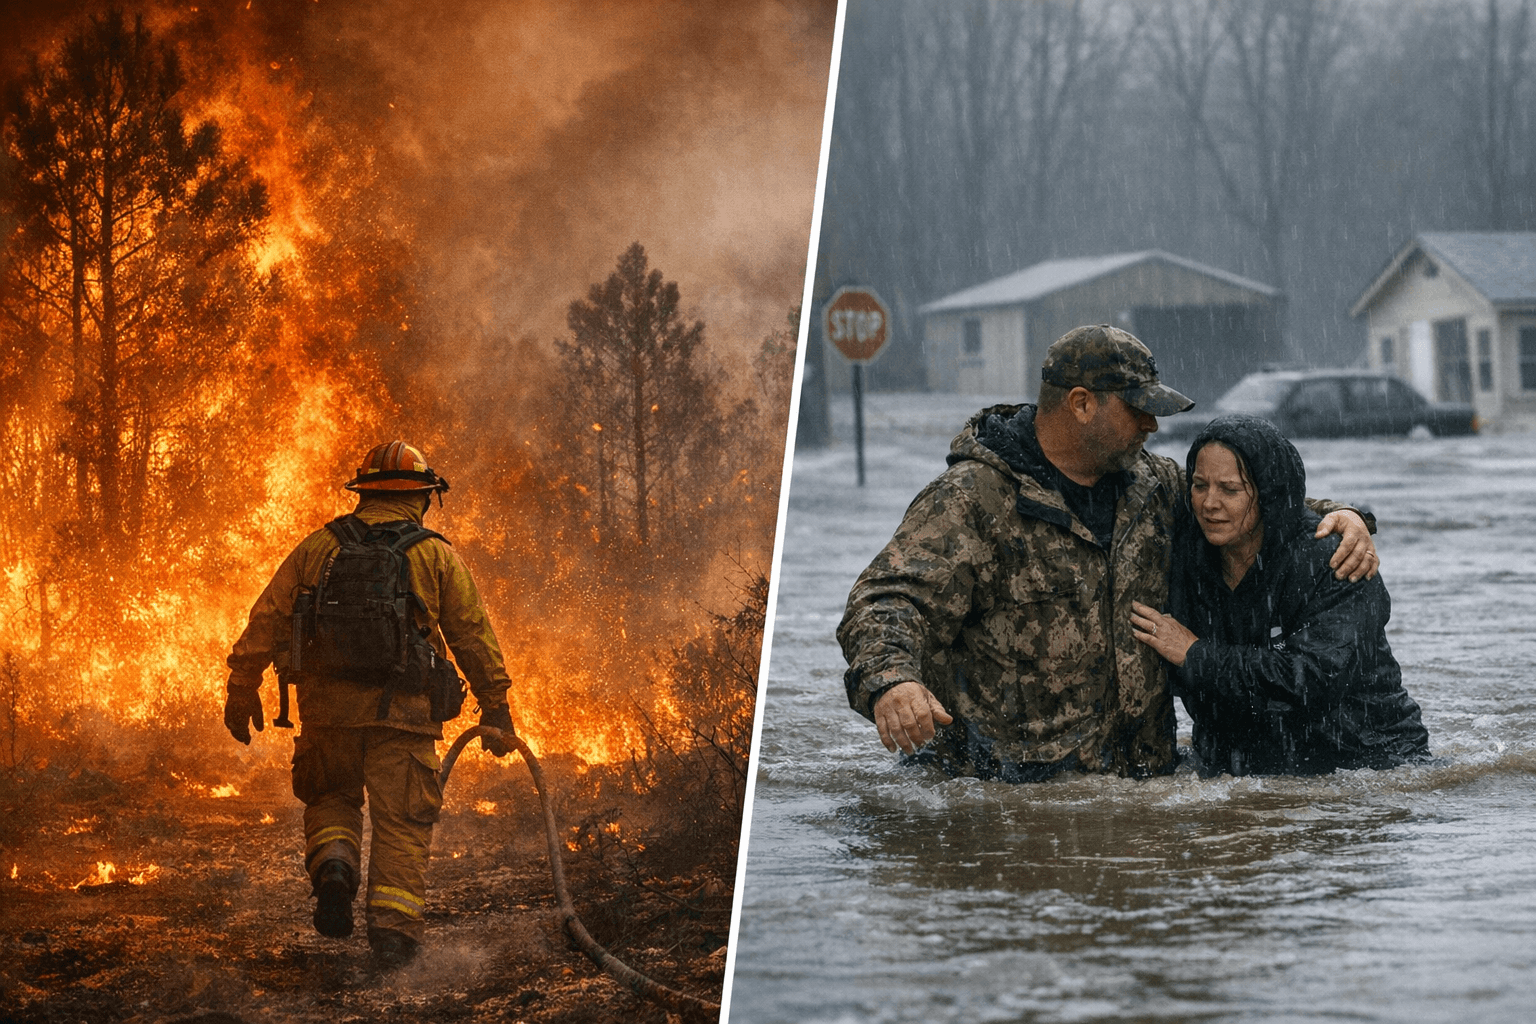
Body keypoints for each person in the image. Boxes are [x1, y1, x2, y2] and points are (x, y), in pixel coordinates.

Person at [837, 325, 1378, 781]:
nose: (1152, 425)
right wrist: (893, 681)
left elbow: (1254, 500)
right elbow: (885, 599)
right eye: (1138, 409)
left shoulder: (1154, 485)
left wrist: (1346, 515)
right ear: (1081, 404)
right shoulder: (973, 500)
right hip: (1011, 800)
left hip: (1140, 795)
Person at [223, 440, 517, 966]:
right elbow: (471, 634)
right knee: (402, 823)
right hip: (403, 721)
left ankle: (335, 866)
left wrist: (242, 683)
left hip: (326, 716)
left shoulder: (318, 547)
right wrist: (495, 705)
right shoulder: (435, 555)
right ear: (423, 496)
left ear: (363, 493)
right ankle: (394, 935)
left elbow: (268, 616)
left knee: (331, 799)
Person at [1130, 415, 1430, 775]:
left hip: (1367, 765)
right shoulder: (1188, 552)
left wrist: (1196, 655)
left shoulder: (1335, 560)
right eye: (1199, 485)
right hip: (1248, 768)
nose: (1209, 503)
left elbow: (1310, 681)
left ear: (1269, 493)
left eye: (1229, 490)